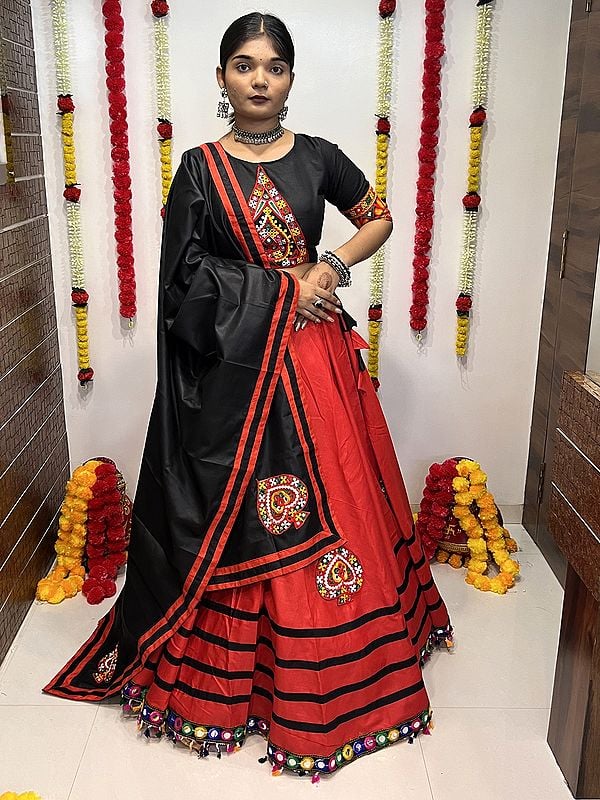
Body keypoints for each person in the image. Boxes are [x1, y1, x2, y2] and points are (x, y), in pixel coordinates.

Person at [44, 12, 452, 778]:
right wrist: (277, 292)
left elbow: (379, 219)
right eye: (243, 64)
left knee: (338, 492)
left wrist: (326, 269)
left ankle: (338, 664)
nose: (259, 78)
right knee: (250, 500)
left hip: (318, 363)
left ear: (291, 79)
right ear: (223, 77)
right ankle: (231, 677)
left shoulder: (321, 158)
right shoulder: (199, 169)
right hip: (239, 372)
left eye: (273, 66)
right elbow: (181, 284)